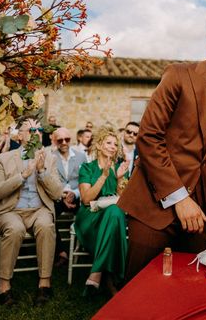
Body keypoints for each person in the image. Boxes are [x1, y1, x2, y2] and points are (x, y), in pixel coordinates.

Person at [117, 12, 206, 280]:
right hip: (154, 206)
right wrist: (179, 197)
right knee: (138, 286)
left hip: (204, 217)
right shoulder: (178, 75)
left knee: (193, 289)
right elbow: (149, 137)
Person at [0, 118, 64, 307]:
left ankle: (44, 282)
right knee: (14, 228)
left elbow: (57, 194)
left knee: (47, 225)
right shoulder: (4, 159)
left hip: (39, 209)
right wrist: (21, 176)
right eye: (30, 130)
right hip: (10, 210)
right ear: (19, 135)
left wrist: (42, 172)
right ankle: (4, 285)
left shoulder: (50, 158)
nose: (36, 132)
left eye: (39, 129)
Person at [75, 127, 128, 296]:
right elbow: (85, 199)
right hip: (90, 215)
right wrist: (104, 176)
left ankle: (96, 273)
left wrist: (119, 178)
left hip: (112, 214)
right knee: (115, 214)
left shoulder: (119, 168)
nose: (113, 147)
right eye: (108, 143)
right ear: (98, 145)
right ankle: (113, 278)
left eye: (115, 144)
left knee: (115, 211)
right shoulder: (87, 168)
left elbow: (123, 199)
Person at [50, 127, 87, 266]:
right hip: (58, 197)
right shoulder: (50, 157)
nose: (64, 142)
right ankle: (61, 251)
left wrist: (75, 194)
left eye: (67, 139)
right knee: (48, 215)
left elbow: (85, 180)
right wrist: (63, 196)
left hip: (78, 196)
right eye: (60, 140)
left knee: (88, 213)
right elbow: (50, 182)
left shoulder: (81, 156)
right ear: (54, 141)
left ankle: (84, 244)